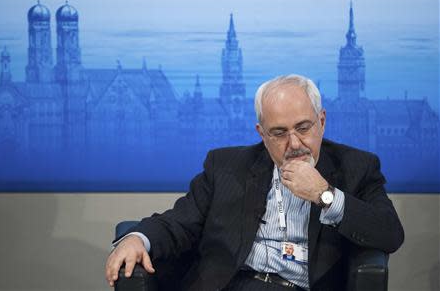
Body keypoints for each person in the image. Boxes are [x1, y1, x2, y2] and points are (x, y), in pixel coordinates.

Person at [105, 74, 404, 291]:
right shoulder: (226, 167)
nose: (294, 143)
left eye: (303, 127)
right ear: (262, 133)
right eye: (279, 132)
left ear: (322, 121)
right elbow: (178, 222)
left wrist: (325, 195)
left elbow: (390, 233)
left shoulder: (356, 167)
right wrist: (136, 238)